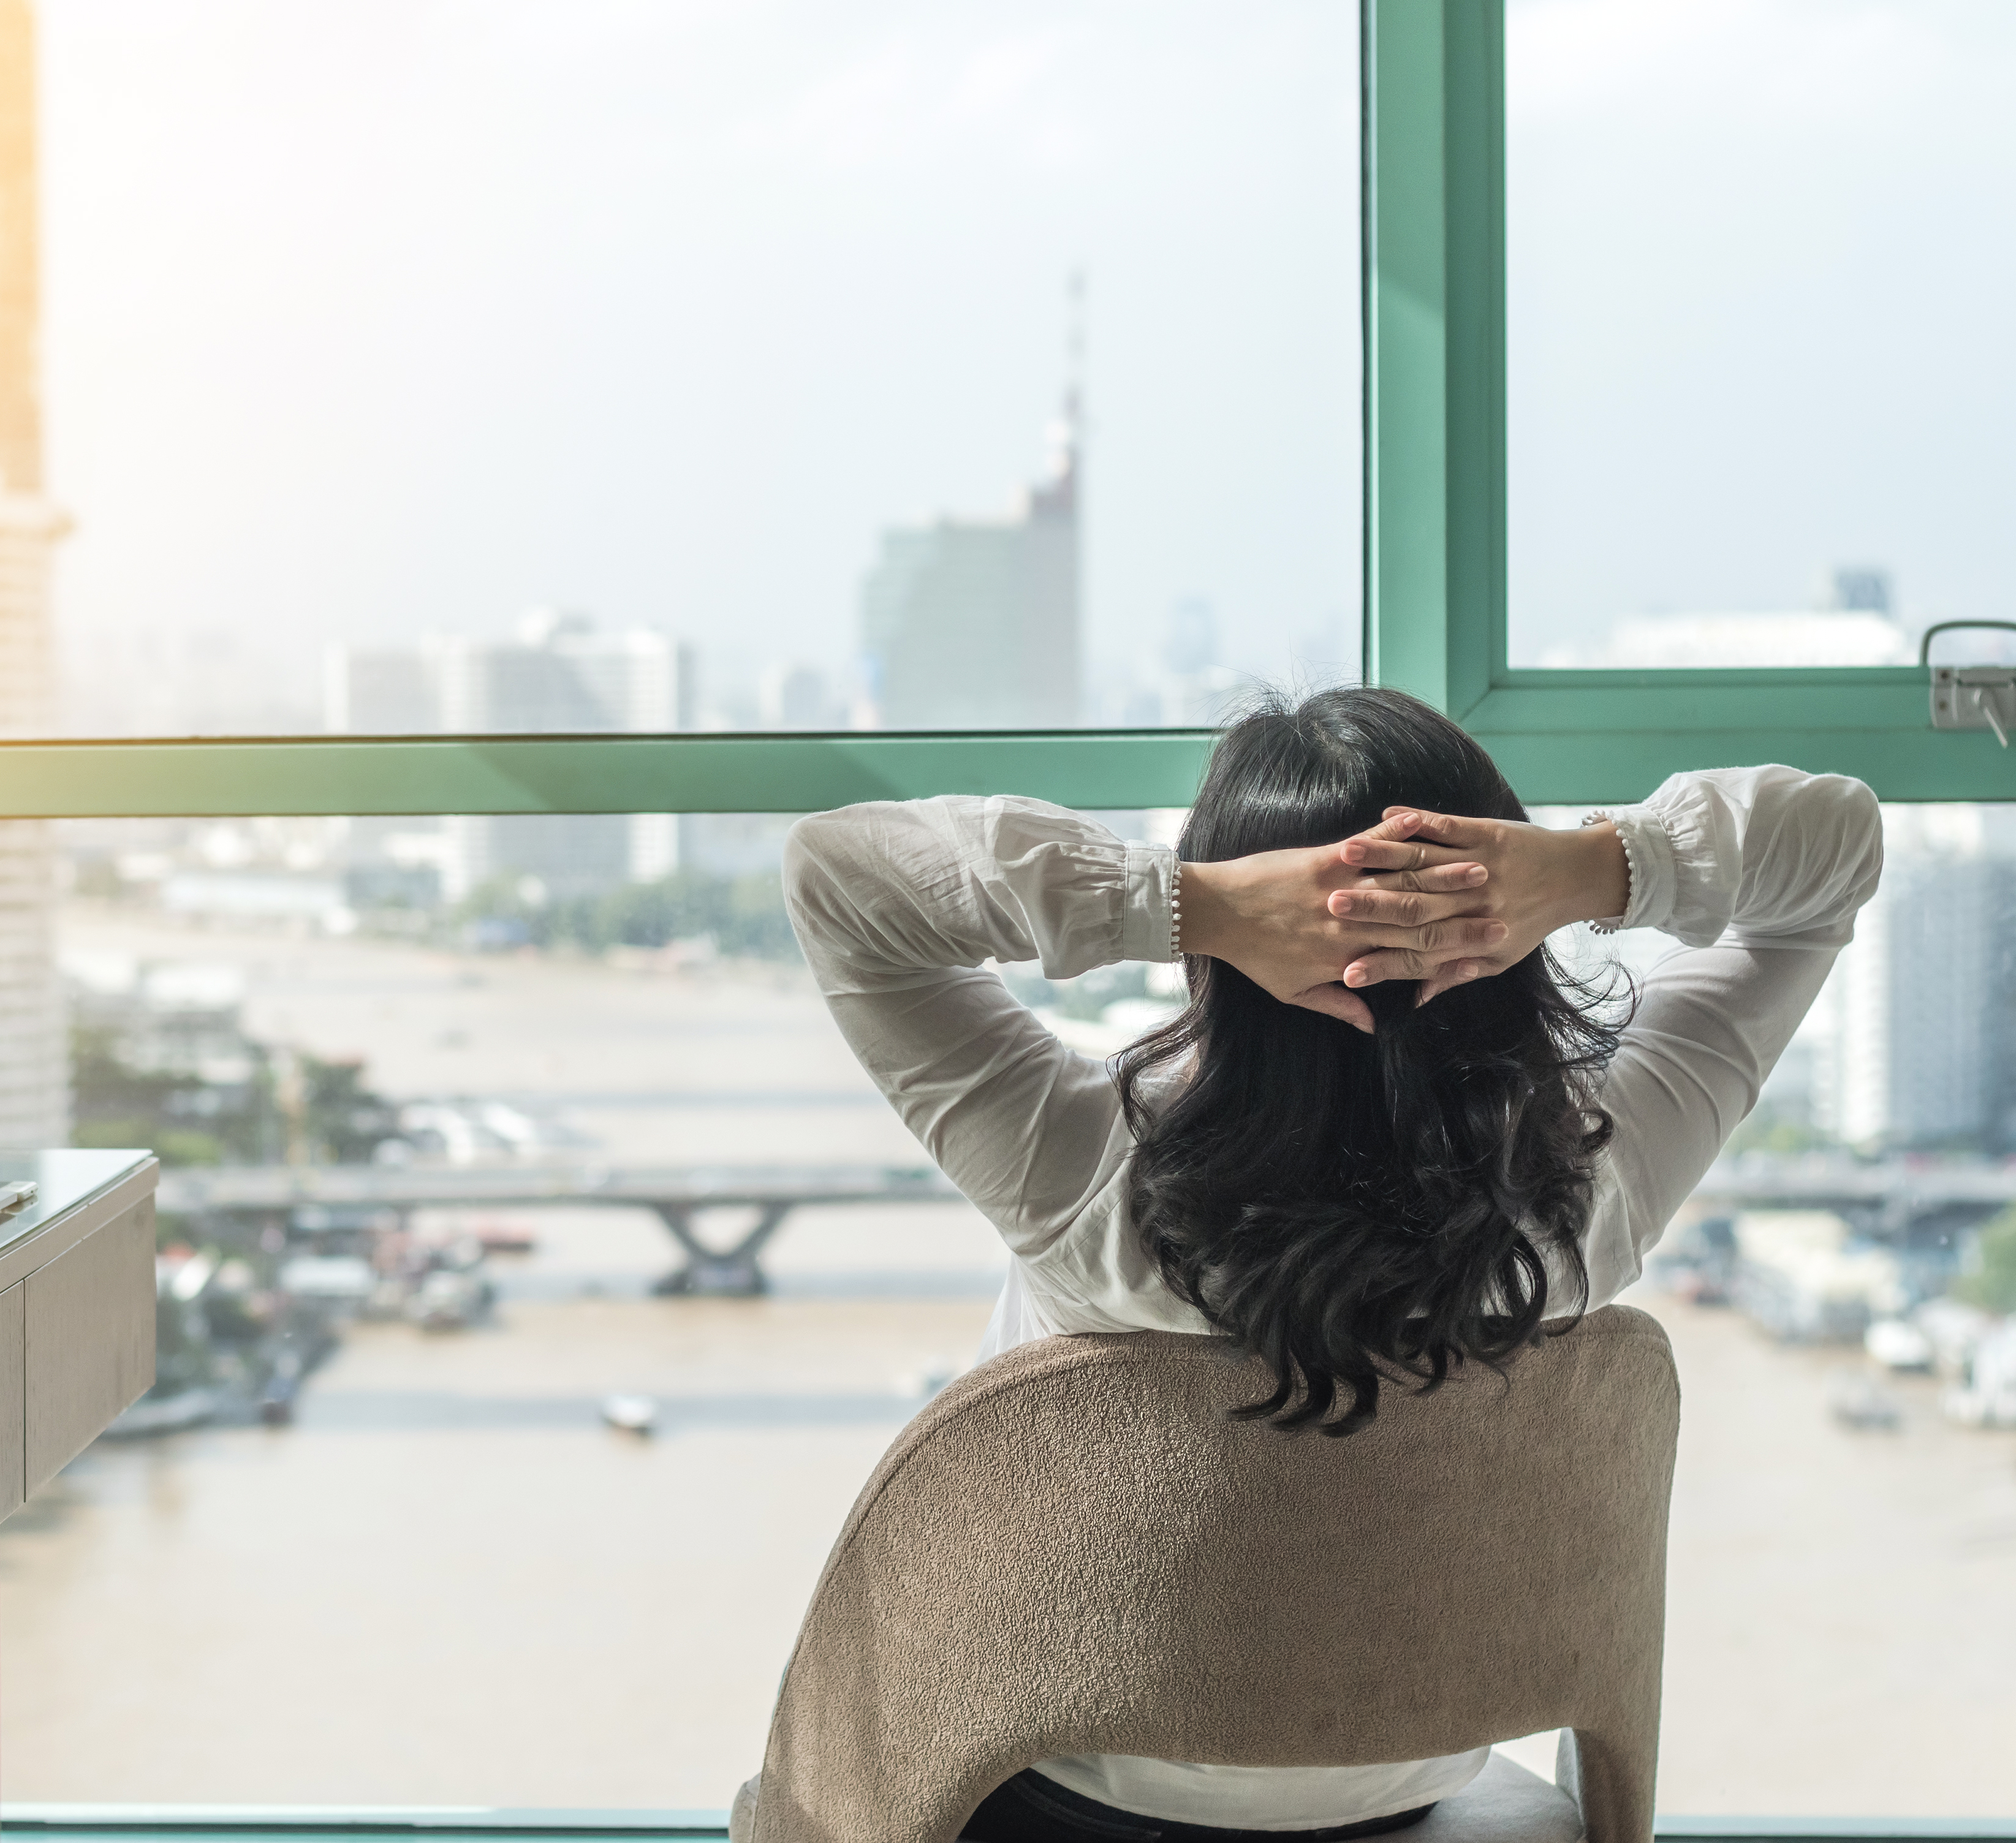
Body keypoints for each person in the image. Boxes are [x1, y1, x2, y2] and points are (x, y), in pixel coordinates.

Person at [778, 686, 1883, 1841]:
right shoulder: (1602, 1181)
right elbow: (1839, 842)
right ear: (1510, 928)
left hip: (1072, 1787)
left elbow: (840, 873)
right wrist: (1593, 871)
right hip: (1416, 1779)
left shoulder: (1085, 1174)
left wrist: (1180, 904)